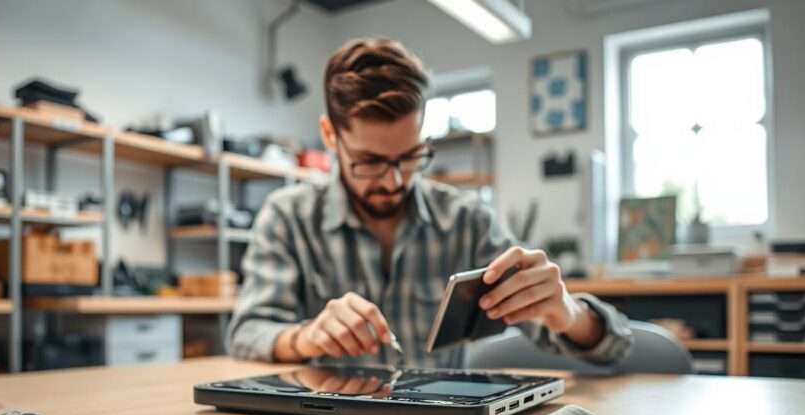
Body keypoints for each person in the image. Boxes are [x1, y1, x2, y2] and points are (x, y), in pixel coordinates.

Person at [228, 37, 632, 369]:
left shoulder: (467, 220)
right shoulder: (287, 216)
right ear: (330, 136)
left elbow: (613, 346)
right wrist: (304, 337)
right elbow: (246, 334)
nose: (394, 180)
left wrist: (566, 312)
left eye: (409, 157)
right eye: (369, 162)